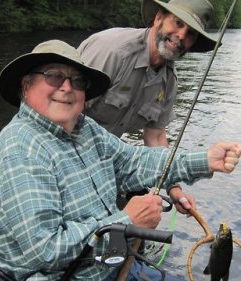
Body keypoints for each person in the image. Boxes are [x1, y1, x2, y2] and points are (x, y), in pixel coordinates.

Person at [0, 40, 241, 281]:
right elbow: (43, 251)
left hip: (109, 265)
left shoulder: (84, 127)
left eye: (78, 81)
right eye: (54, 76)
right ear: (26, 87)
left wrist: (205, 160)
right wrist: (128, 221)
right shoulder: (20, 151)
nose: (67, 87)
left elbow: (133, 162)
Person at [77, 0, 220, 209]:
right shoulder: (113, 50)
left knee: (143, 214)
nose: (181, 36)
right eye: (178, 23)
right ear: (159, 18)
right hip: (63, 157)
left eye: (191, 33)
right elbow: (63, 112)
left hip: (103, 162)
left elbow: (155, 136)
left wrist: (174, 189)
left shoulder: (169, 81)